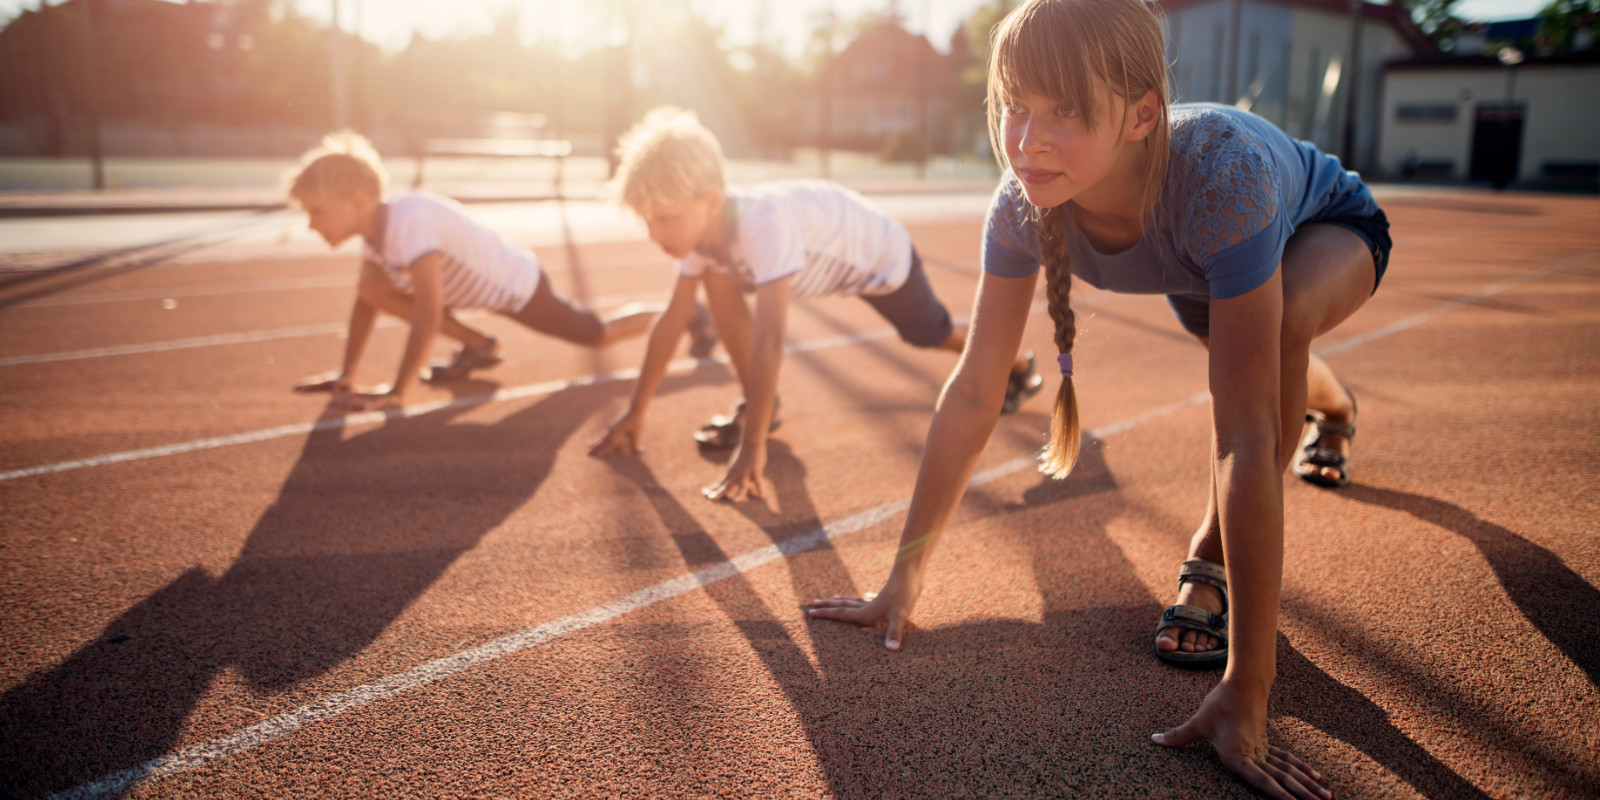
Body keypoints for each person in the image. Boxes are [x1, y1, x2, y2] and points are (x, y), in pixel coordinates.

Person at [807, 1, 1391, 798]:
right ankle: (1334, 403)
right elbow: (978, 386)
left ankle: (1210, 555)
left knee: (1274, 337)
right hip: (1207, 263)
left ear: (1144, 113)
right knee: (1253, 349)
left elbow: (1245, 438)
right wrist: (901, 579)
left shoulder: (1222, 179)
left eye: (1067, 110)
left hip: (1326, 228)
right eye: (1016, 106)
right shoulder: (1022, 202)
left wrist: (1250, 685)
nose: (1029, 138)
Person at [587, 107, 1044, 501]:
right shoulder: (700, 239)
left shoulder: (763, 226)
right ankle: (761, 405)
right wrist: (636, 411)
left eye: (666, 219)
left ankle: (1015, 366)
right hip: (828, 254)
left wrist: (752, 447)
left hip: (879, 258)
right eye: (648, 221)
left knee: (930, 335)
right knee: (716, 279)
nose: (656, 235)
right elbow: (672, 320)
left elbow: (769, 340)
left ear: (710, 202)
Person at [285, 132, 711, 410]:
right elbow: (367, 303)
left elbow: (429, 313)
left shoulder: (407, 223)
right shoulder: (376, 233)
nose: (311, 224)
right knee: (371, 287)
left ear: (358, 202)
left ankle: (689, 314)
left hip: (516, 285)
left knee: (595, 334)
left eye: (318, 212)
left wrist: (399, 391)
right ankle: (479, 346)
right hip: (474, 290)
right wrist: (347, 375)